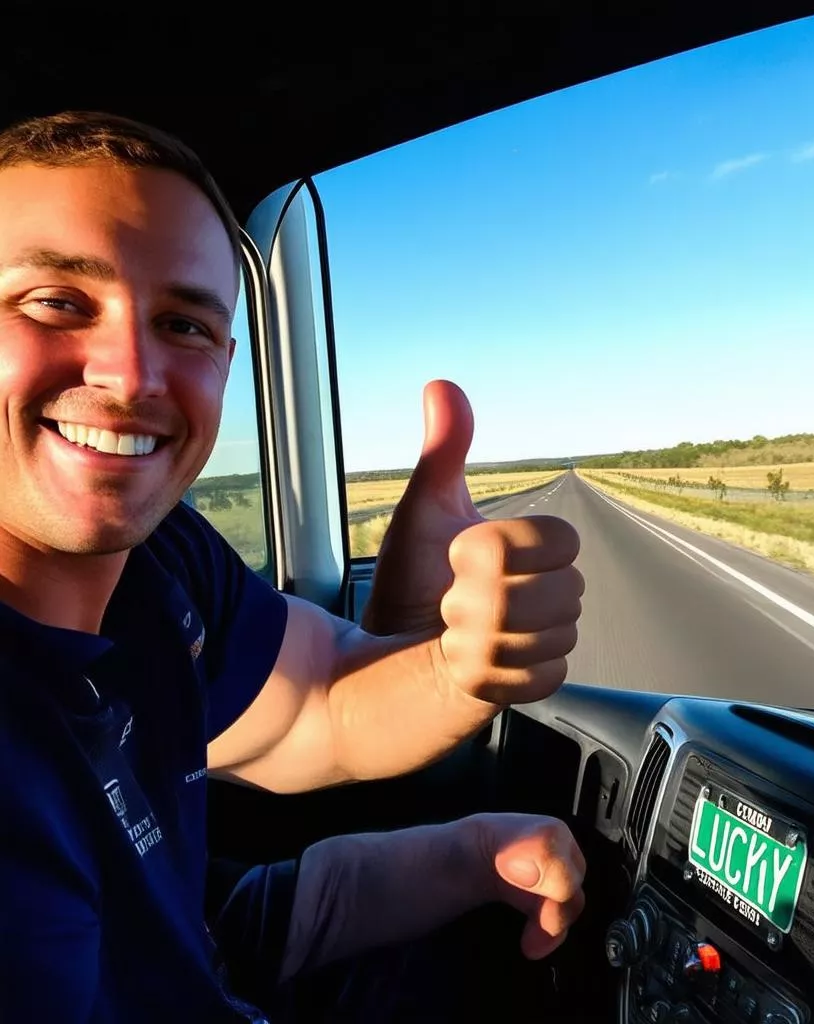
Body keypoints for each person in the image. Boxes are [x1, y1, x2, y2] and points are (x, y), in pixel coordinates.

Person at [0, 111, 586, 1022]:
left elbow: (322, 707)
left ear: (228, 362)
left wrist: (456, 666)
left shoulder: (163, 566)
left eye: (184, 324)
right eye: (56, 302)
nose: (130, 374)